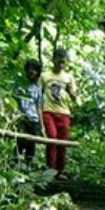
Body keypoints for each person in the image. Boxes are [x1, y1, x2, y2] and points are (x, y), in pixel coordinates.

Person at [41, 48, 79, 178]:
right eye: (58, 61)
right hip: (48, 111)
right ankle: (50, 170)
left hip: (63, 112)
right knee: (52, 138)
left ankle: (60, 171)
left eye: (63, 62)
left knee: (63, 141)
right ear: (53, 60)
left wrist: (70, 91)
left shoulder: (68, 77)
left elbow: (74, 97)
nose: (61, 65)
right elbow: (38, 94)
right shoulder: (45, 76)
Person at [15, 58, 43, 163]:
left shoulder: (38, 87)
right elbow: (13, 99)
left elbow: (39, 105)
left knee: (31, 143)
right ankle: (15, 164)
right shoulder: (19, 83)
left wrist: (42, 124)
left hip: (34, 118)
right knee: (20, 141)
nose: (32, 72)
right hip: (21, 116)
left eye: (35, 70)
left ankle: (28, 165)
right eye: (30, 69)